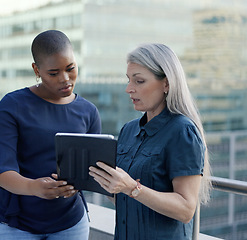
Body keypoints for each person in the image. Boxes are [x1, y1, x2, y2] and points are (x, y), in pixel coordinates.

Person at [0, 30, 101, 239]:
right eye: (53, 73)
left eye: (71, 68)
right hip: (17, 223)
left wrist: (78, 183)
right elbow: (0, 170)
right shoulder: (12, 105)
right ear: (36, 69)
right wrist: (33, 187)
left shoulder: (89, 111)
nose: (65, 79)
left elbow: (91, 170)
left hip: (71, 223)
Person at [89, 43, 211, 240]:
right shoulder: (128, 130)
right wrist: (99, 180)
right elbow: (124, 198)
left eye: (139, 81)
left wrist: (132, 188)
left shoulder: (182, 131)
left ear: (166, 84)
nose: (129, 89)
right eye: (129, 80)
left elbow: (186, 209)